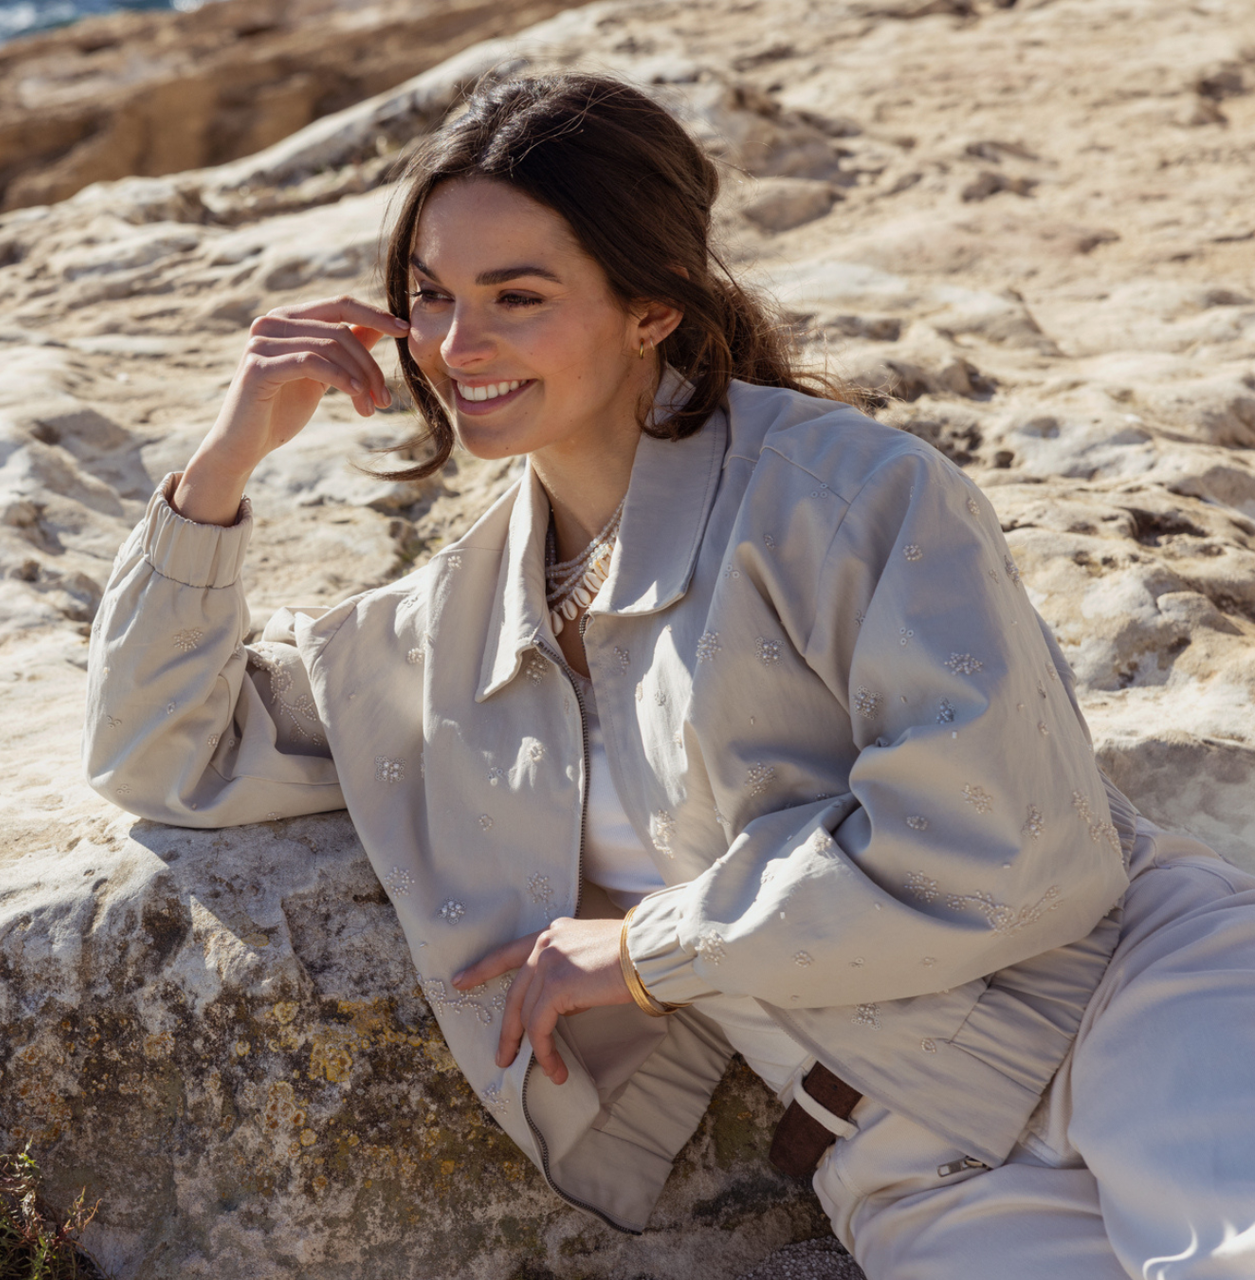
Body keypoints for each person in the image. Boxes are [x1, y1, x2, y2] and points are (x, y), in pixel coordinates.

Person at [82, 73, 1255, 1277]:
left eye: (515, 296)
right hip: (910, 1157)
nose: (453, 344)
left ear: (649, 309)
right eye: (428, 296)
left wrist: (650, 951)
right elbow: (160, 752)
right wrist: (222, 463)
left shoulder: (846, 494)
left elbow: (1001, 841)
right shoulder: (445, 623)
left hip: (1143, 1004)